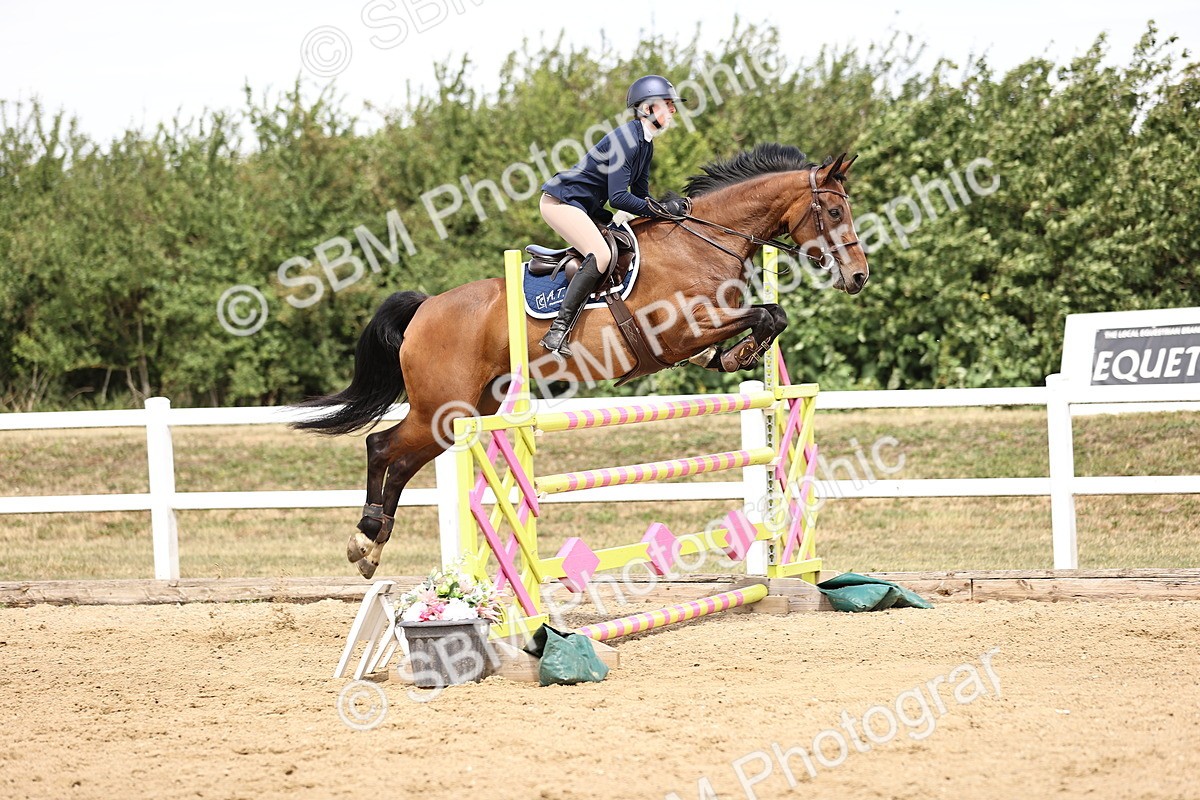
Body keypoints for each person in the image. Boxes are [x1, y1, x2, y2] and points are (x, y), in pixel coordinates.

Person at [537, 74, 690, 357]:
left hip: (585, 207)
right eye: (667, 104)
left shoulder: (645, 144)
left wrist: (665, 211)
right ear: (647, 109)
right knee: (602, 255)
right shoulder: (627, 140)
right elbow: (619, 197)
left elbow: (641, 194)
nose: (673, 110)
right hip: (561, 202)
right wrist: (660, 210)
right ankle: (557, 331)